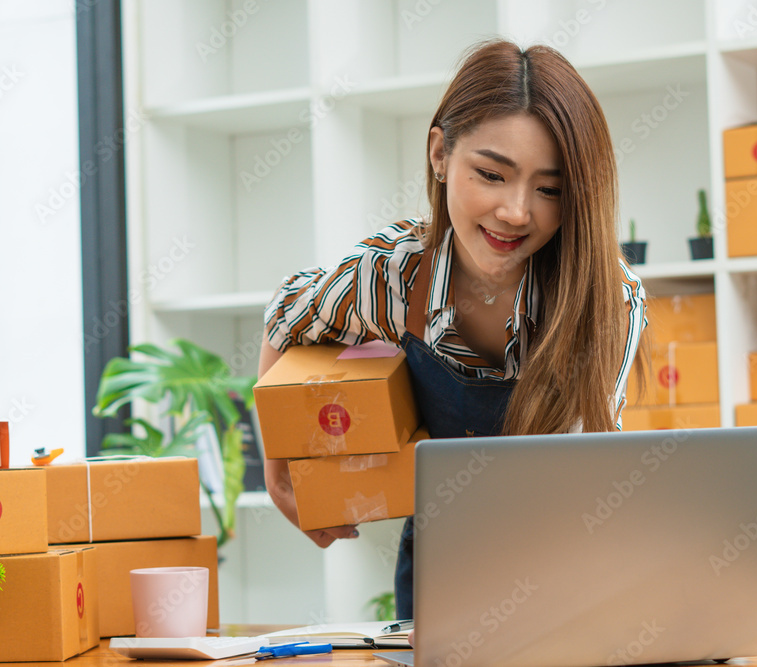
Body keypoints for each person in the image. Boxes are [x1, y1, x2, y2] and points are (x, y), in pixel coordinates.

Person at [258, 39, 647, 621]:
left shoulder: (607, 300)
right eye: (491, 174)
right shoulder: (392, 275)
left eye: (550, 189)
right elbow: (286, 313)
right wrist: (280, 471)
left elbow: (596, 469)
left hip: (567, 562)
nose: (517, 212)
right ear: (440, 153)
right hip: (438, 566)